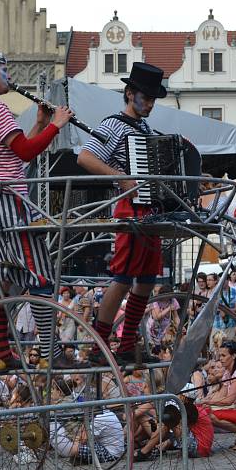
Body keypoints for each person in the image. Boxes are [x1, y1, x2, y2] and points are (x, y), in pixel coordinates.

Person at [0, 50, 76, 371]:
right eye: (5, 69)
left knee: (2, 274)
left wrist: (39, 124)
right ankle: (51, 352)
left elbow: (11, 155)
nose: (9, 76)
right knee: (40, 272)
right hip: (9, 202)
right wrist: (56, 125)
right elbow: (25, 153)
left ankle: (0, 352)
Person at [76, 62, 169, 366]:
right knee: (123, 276)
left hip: (151, 210)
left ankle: (127, 343)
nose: (151, 104)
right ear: (130, 94)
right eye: (147, 97)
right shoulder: (113, 124)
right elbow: (86, 157)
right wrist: (120, 176)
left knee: (145, 278)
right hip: (130, 207)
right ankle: (99, 345)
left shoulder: (147, 130)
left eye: (154, 99)